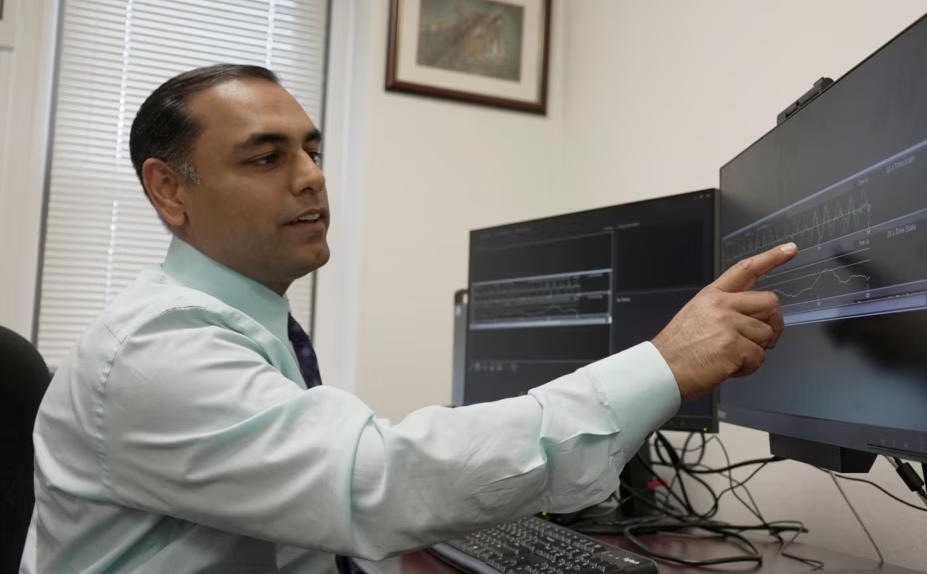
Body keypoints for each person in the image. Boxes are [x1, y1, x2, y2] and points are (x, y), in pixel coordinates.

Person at [19, 64, 798, 573]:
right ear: (169, 190)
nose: (312, 180)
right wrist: (663, 364)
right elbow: (378, 480)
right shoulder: (156, 348)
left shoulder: (238, 326)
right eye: (266, 158)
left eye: (314, 152)